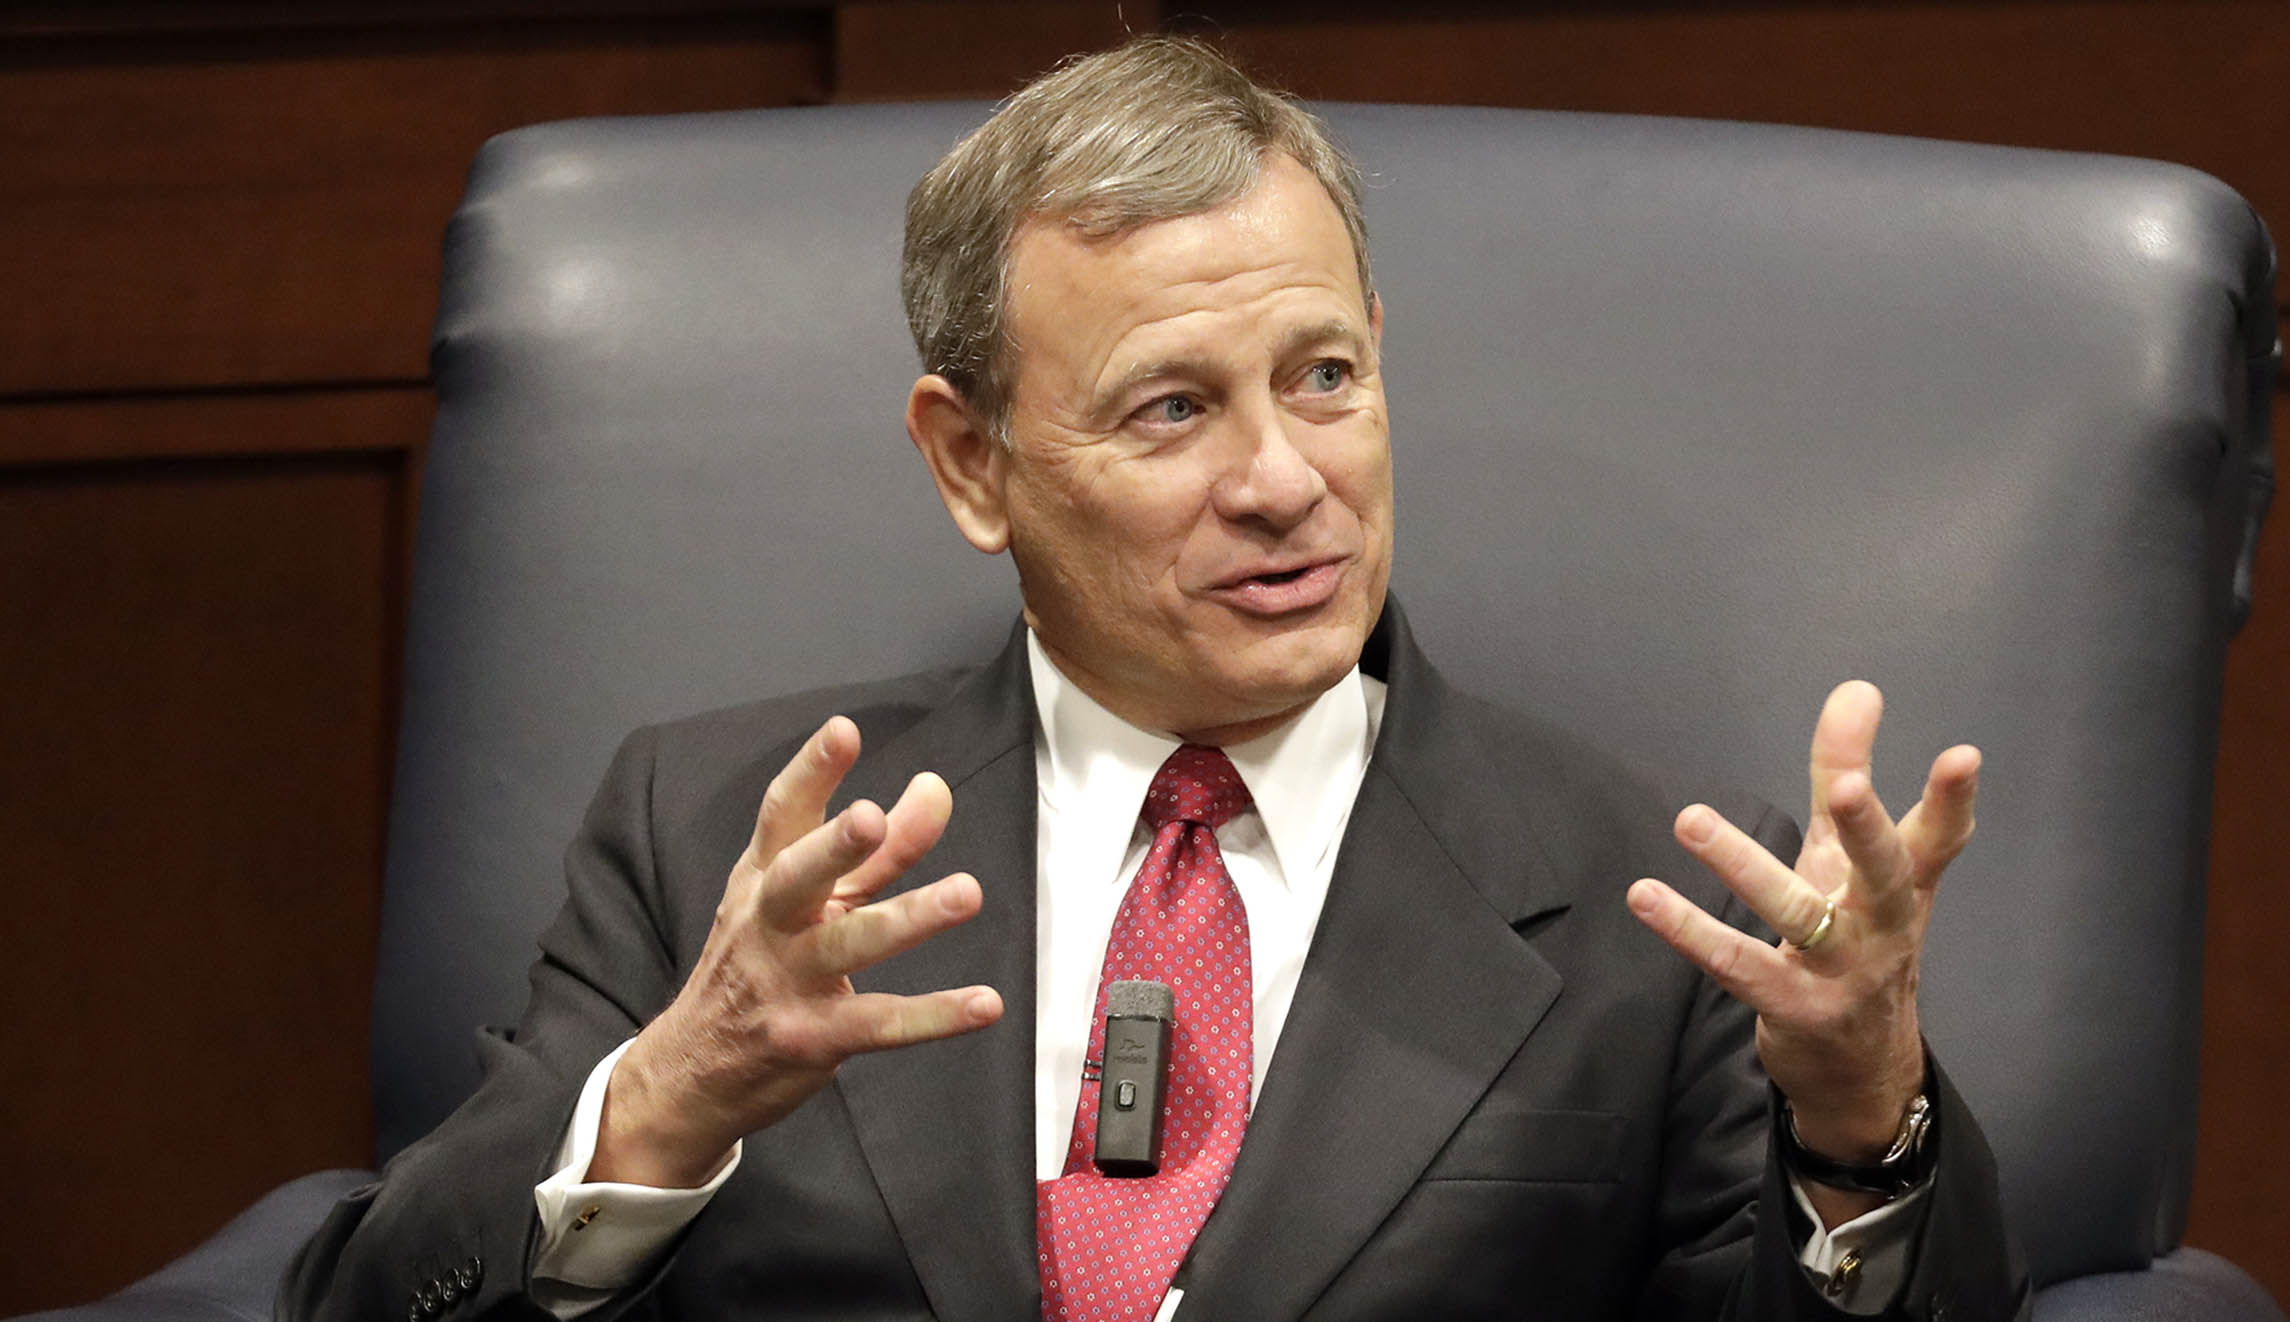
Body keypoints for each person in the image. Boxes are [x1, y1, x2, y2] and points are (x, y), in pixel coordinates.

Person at [282, 36, 2027, 1322]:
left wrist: (1859, 1120)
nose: (1283, 478)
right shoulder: (717, 841)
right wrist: (669, 1099)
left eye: (1322, 375)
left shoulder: (1660, 902)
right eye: (1172, 406)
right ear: (971, 463)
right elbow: (374, 1300)